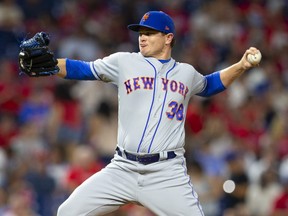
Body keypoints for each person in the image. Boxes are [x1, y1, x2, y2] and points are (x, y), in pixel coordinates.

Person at [25, 11, 260, 216]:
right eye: (140, 33)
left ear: (168, 38)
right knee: (68, 212)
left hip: (166, 173)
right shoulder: (124, 62)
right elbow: (83, 69)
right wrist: (52, 64)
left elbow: (209, 85)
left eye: (150, 33)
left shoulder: (186, 73)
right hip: (122, 168)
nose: (142, 37)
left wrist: (240, 66)